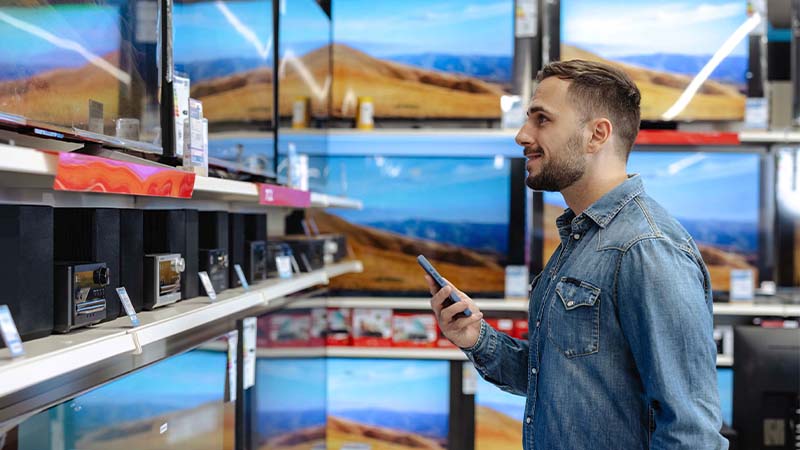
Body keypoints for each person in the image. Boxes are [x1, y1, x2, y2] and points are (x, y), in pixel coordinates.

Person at [426, 59, 727, 449]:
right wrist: (476, 338)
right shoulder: (581, 238)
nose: (522, 135)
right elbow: (554, 377)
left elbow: (693, 434)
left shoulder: (647, 249)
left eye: (542, 120)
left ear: (596, 135)